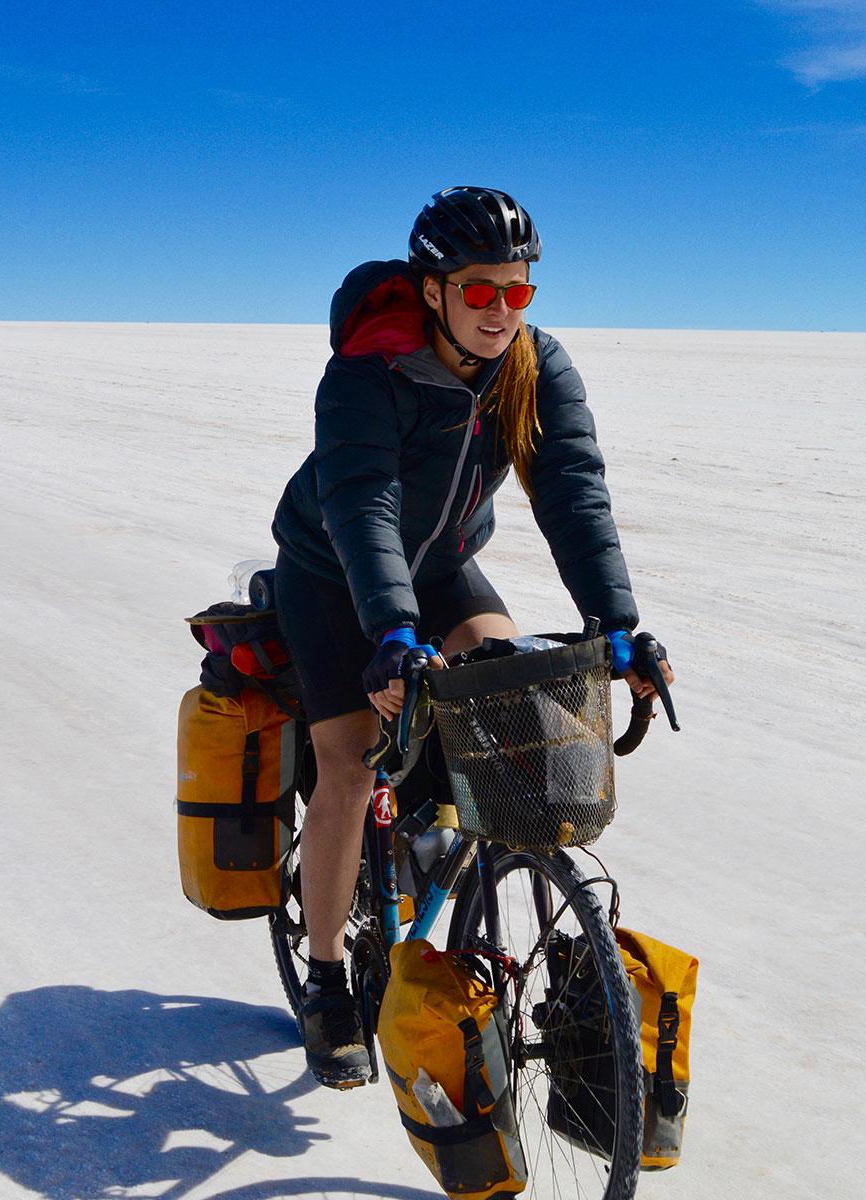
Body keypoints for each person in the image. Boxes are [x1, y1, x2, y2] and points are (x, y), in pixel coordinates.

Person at [269, 186, 675, 1088]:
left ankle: (434, 853)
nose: (501, 310)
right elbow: (363, 503)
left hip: (444, 565)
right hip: (335, 574)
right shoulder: (368, 371)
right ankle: (331, 978)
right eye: (481, 290)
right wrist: (391, 634)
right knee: (348, 758)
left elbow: (573, 490)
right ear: (433, 290)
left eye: (518, 291)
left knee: (509, 697)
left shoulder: (537, 366)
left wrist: (618, 626)